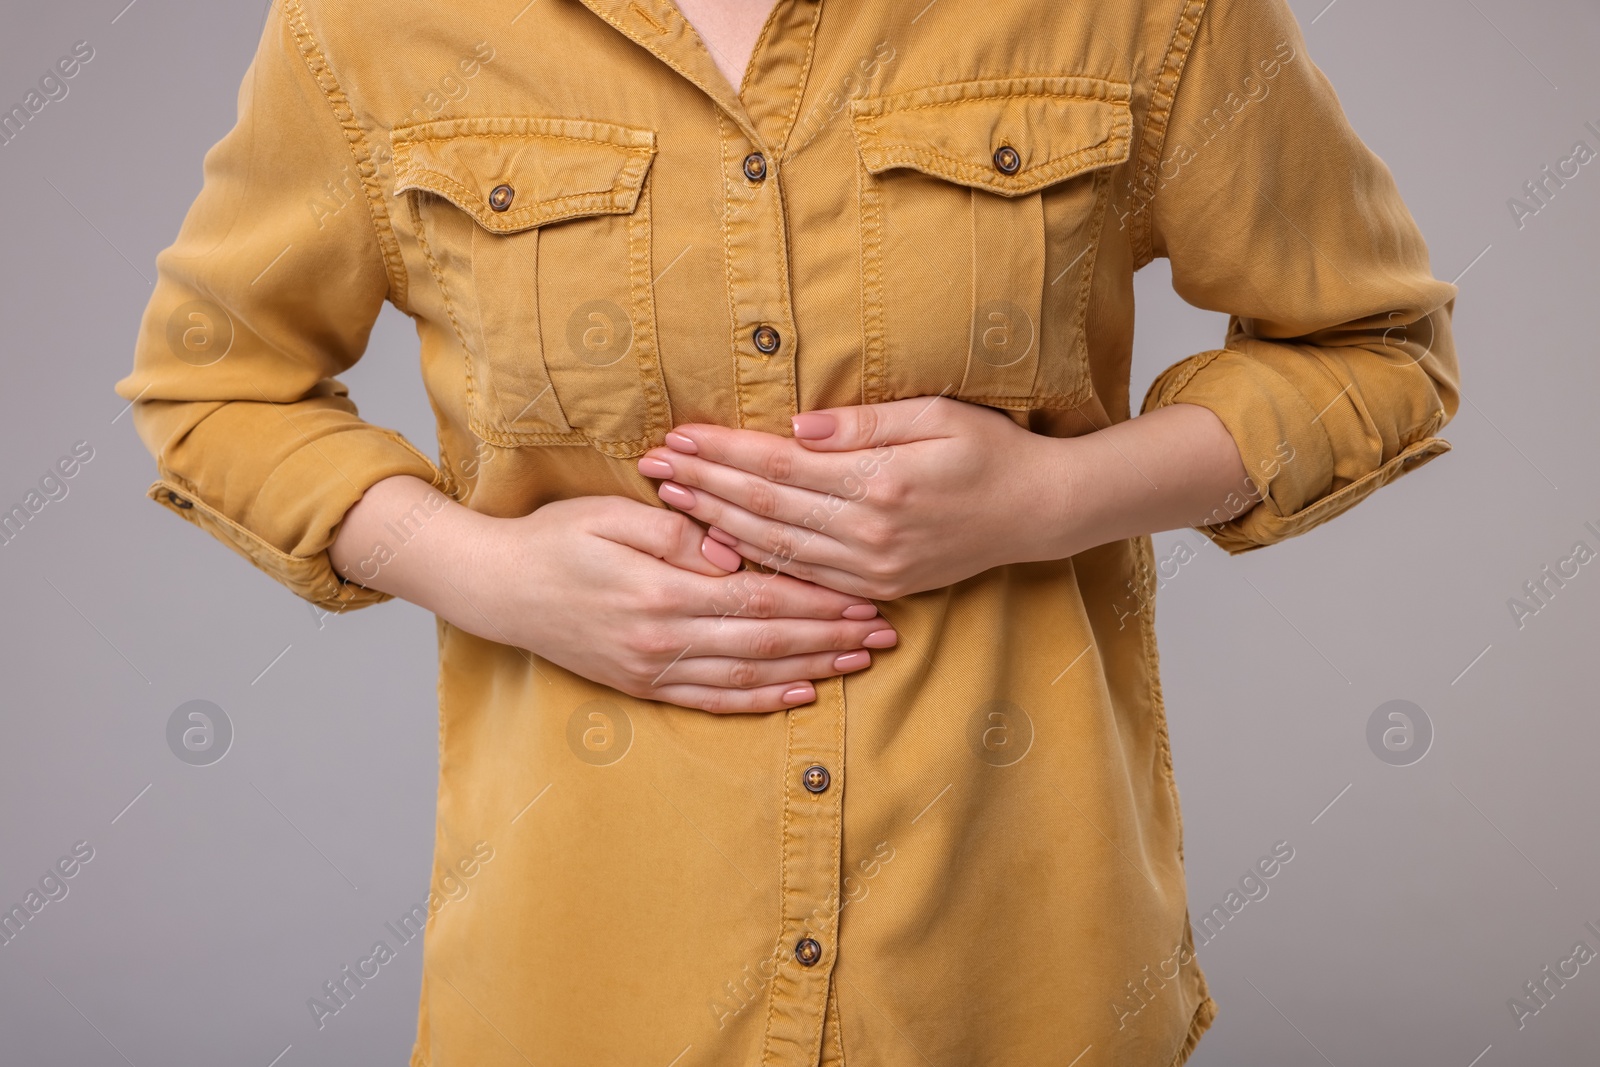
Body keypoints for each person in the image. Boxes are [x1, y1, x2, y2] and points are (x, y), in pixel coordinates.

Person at [115, 0, 1459, 1063]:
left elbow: (1377, 346)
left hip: (1013, 981)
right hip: (588, 984)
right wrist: (486, 571)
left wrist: (1049, 497)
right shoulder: (369, 22)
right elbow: (212, 380)